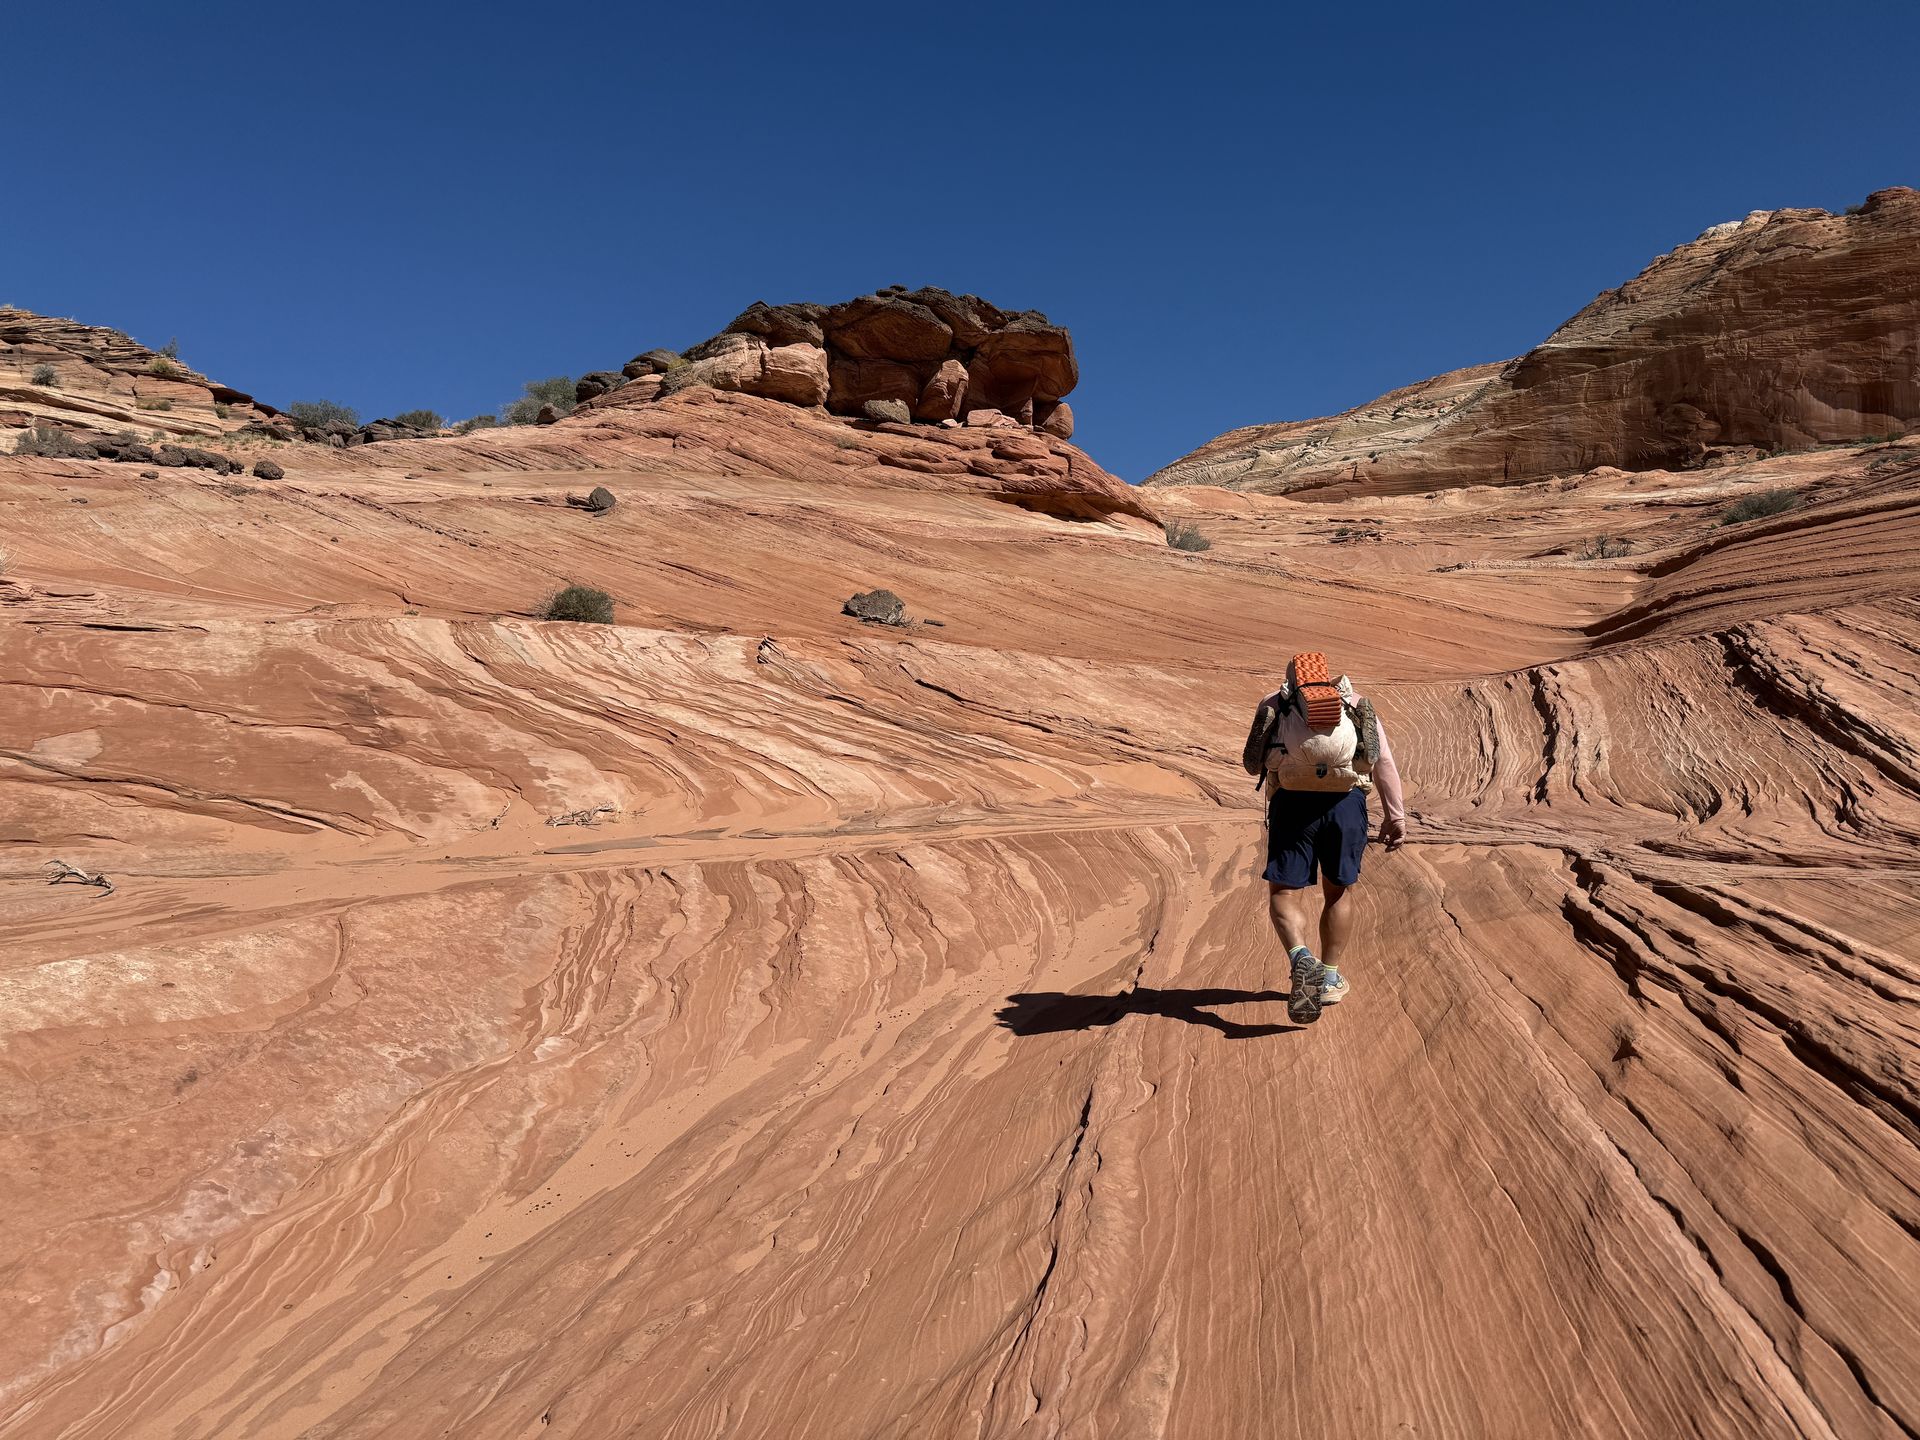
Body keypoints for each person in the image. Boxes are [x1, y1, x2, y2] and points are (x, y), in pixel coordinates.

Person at [1240, 652, 1406, 1024]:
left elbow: (1253, 761)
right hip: (1345, 807)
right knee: (1339, 892)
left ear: (1293, 678)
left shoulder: (1275, 703)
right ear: (1328, 677)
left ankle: (1302, 958)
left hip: (1292, 805)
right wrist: (1396, 817)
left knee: (1283, 894)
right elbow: (1383, 763)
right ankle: (1329, 976)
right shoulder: (1357, 704)